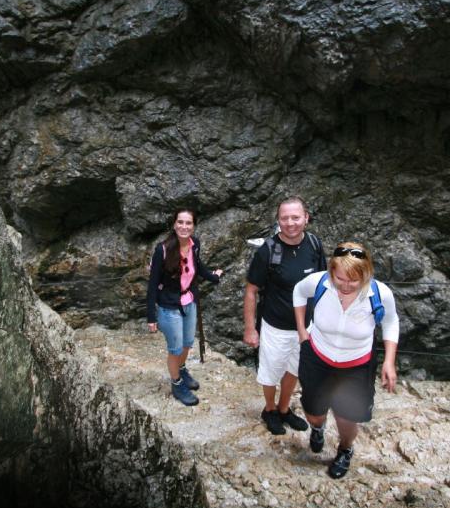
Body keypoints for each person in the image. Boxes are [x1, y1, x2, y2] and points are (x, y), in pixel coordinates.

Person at [293, 241, 399, 479]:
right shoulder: (319, 283)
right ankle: (318, 428)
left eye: (353, 280)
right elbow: (298, 291)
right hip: (317, 357)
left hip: (356, 364)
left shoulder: (379, 293)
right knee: (314, 413)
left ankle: (345, 450)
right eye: (339, 278)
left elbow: (391, 321)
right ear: (331, 271)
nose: (345, 285)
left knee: (346, 417)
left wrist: (389, 361)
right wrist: (301, 330)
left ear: (366, 274)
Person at [243, 196, 327, 435]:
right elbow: (251, 290)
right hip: (276, 326)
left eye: (295, 217)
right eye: (285, 218)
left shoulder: (314, 245)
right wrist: (250, 328)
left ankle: (284, 408)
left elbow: (322, 284)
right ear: (278, 221)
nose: (290, 223)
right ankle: (269, 409)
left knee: (294, 369)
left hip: (305, 326)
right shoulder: (268, 251)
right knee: (271, 372)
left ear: (306, 218)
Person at [147, 208, 223, 406]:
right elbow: (152, 284)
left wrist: (213, 277)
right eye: (180, 222)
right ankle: (177, 383)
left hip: (189, 302)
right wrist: (151, 316)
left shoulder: (194, 244)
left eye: (188, 223)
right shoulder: (162, 250)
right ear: (174, 224)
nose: (184, 226)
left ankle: (181, 370)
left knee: (188, 343)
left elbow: (198, 267)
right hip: (169, 307)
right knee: (175, 349)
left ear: (194, 226)